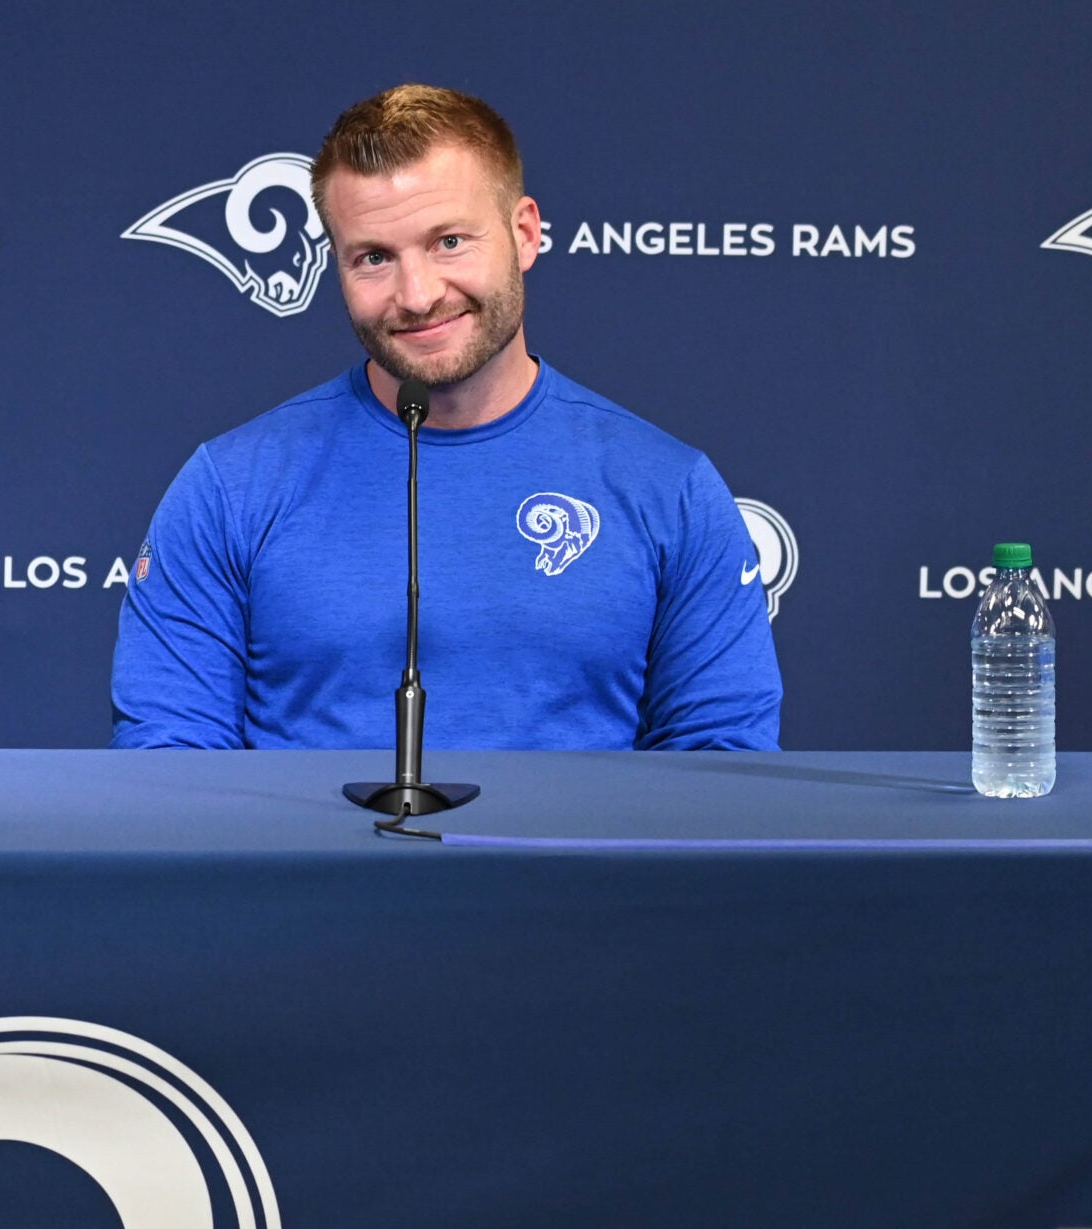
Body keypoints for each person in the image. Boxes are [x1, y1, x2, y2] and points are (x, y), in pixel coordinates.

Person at [111, 84, 780, 751]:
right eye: (374, 257)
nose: (417, 295)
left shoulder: (671, 489)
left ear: (525, 234)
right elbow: (168, 767)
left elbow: (724, 775)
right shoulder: (230, 486)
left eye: (449, 241)